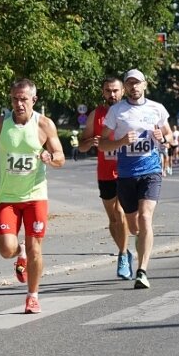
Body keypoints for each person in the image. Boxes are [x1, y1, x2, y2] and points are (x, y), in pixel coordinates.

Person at [0, 78, 65, 314]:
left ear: (33, 100)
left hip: (36, 195)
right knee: (6, 249)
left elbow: (60, 156)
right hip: (8, 196)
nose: (19, 104)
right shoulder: (0, 124)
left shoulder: (44, 125)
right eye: (15, 99)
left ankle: (32, 296)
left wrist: (50, 158)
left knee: (36, 246)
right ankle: (21, 253)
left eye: (24, 99)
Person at [98, 68, 173, 289]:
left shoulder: (157, 109)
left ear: (144, 85)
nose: (133, 87)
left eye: (137, 83)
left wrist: (163, 137)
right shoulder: (116, 111)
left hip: (151, 172)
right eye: (129, 83)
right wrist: (120, 142)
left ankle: (142, 270)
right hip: (126, 175)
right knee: (133, 227)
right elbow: (102, 144)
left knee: (145, 218)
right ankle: (133, 251)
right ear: (126, 87)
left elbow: (169, 136)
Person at [78, 76, 133, 280]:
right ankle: (125, 250)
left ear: (123, 91)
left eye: (116, 90)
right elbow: (82, 145)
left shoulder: (130, 112)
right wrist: (89, 142)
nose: (112, 94)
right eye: (108, 91)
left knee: (121, 212)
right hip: (105, 173)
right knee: (112, 218)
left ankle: (122, 256)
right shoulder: (97, 114)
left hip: (127, 171)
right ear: (103, 93)